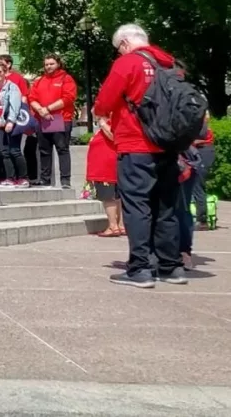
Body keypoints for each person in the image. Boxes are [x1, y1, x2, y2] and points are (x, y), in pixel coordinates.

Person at [94, 23, 186, 288]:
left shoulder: (128, 63)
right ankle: (171, 267)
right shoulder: (167, 63)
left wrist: (100, 113)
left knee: (137, 206)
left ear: (124, 44)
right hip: (167, 145)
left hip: (136, 144)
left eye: (117, 49)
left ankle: (140, 268)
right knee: (166, 207)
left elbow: (105, 100)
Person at [28, 53, 78, 188]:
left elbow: (68, 98)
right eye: (46, 64)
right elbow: (31, 98)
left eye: (51, 64)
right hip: (43, 119)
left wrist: (48, 109)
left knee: (62, 149)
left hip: (61, 118)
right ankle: (45, 179)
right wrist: (40, 110)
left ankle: (65, 180)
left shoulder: (66, 79)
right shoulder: (39, 81)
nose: (48, 66)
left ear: (58, 64)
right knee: (44, 150)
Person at [0, 64, 28, 188]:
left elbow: (15, 105)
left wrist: (11, 121)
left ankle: (23, 177)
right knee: (4, 152)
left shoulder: (12, 87)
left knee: (15, 150)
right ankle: (10, 178)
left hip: (10, 122)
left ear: (5, 73)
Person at [88, 116, 124, 238]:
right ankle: (119, 225)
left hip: (106, 167)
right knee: (116, 197)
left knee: (108, 197)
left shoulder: (109, 122)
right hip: (106, 165)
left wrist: (102, 122)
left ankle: (113, 226)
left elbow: (114, 136)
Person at [192, 113, 216, 231]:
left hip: (204, 152)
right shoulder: (200, 123)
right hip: (203, 152)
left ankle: (202, 220)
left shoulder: (201, 125)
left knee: (198, 186)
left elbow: (198, 138)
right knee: (195, 186)